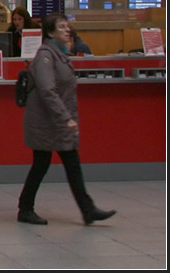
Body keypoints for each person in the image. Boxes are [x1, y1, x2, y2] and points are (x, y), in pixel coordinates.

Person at [17, 13, 116, 226]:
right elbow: (46, 90)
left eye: (67, 26)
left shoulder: (59, 54)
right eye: (61, 27)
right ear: (51, 32)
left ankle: (87, 209)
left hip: (56, 122)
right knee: (43, 164)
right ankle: (26, 209)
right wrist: (66, 118)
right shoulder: (46, 55)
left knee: (69, 163)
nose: (67, 29)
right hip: (47, 122)